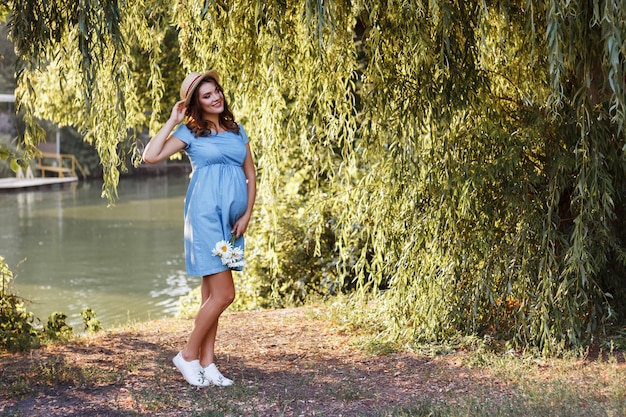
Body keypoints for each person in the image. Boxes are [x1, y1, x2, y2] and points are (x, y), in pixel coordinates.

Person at [143, 70, 256, 387]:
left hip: (231, 223)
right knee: (224, 294)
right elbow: (150, 156)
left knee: (211, 295)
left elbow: (251, 175)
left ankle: (208, 364)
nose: (216, 97)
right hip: (204, 217)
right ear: (196, 103)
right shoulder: (189, 132)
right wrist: (172, 120)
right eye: (207, 95)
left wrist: (247, 212)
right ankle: (188, 355)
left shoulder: (237, 131)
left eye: (217, 91)